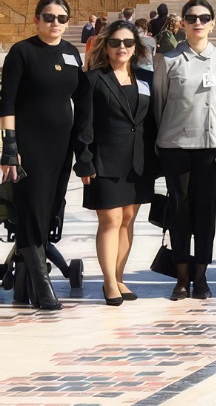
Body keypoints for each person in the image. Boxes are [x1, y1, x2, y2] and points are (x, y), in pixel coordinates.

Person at [2, 0, 88, 310]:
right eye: (48, 17)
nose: (55, 23)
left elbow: (82, 96)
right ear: (36, 19)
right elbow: (7, 101)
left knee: (50, 209)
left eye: (61, 18)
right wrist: (9, 146)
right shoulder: (22, 52)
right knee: (32, 210)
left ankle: (23, 288)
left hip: (60, 147)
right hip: (29, 146)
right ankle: (42, 286)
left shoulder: (69, 53)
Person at [151, 0, 216, 302]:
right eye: (192, 18)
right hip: (175, 146)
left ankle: (200, 276)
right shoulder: (169, 59)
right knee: (179, 211)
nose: (198, 23)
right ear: (183, 24)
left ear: (212, 24)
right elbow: (158, 104)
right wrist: (158, 149)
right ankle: (181, 277)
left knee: (205, 212)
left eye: (204, 18)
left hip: (210, 147)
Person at [76, 20, 155, 305]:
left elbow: (150, 123)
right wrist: (83, 159)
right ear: (106, 46)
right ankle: (109, 282)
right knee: (110, 220)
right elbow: (83, 125)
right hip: (104, 159)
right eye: (115, 42)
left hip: (137, 161)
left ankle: (120, 277)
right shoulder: (94, 79)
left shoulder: (146, 77)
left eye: (128, 43)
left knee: (128, 220)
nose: (122, 47)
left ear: (137, 47)